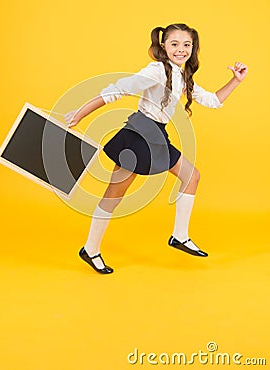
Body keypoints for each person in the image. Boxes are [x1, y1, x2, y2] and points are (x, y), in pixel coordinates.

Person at [65, 23, 248, 274]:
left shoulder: (181, 75)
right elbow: (117, 90)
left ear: (193, 48)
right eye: (175, 44)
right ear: (164, 46)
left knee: (191, 176)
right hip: (139, 134)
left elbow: (213, 101)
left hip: (156, 134)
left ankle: (179, 236)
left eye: (187, 45)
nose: (181, 50)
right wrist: (80, 113)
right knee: (114, 195)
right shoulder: (157, 71)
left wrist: (235, 81)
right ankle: (91, 249)